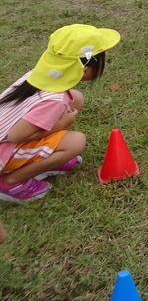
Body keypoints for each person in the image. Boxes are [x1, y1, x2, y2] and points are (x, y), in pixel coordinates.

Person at [0, 24, 120, 202]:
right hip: (5, 149)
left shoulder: (36, 76)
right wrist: (62, 124)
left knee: (76, 98)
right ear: (84, 70)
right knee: (76, 142)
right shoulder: (53, 100)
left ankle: (45, 159)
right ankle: (11, 183)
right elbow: (17, 135)